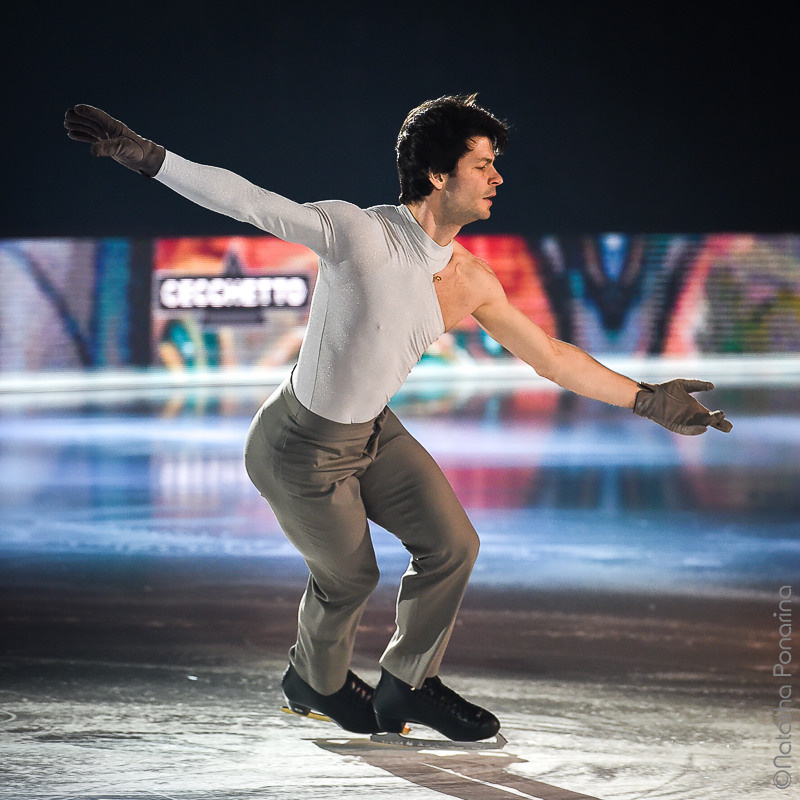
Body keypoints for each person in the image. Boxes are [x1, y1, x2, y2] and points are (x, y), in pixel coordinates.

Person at [64, 95, 732, 742]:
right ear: (439, 174)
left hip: (374, 433)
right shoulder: (361, 234)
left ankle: (407, 683)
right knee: (349, 578)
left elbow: (552, 358)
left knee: (454, 547)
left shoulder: (470, 278)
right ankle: (313, 682)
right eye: (482, 163)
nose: (498, 176)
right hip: (298, 445)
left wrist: (646, 399)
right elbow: (249, 202)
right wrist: (149, 156)